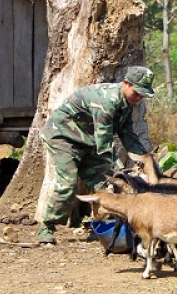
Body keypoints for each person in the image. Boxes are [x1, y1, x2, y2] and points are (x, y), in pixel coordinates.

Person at [36, 66, 155, 244]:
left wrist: (146, 159)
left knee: (105, 182)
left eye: (142, 95)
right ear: (126, 83)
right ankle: (47, 226)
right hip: (63, 137)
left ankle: (110, 224)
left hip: (86, 139)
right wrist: (122, 171)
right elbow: (104, 142)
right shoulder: (107, 101)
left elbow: (127, 134)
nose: (138, 98)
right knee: (67, 184)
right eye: (137, 92)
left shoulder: (126, 104)